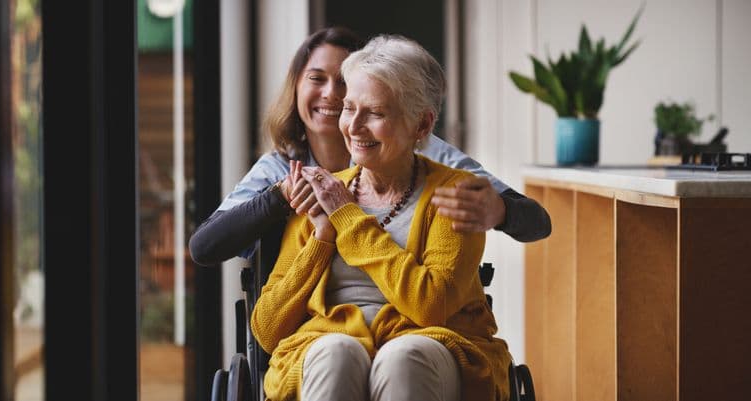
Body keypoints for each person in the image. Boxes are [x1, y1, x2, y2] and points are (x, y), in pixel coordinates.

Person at [251, 34, 512, 401]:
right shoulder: (322, 193)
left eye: (374, 113)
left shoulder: (455, 194)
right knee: (336, 353)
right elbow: (267, 327)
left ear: (421, 125)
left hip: (430, 344)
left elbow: (430, 306)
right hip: (326, 346)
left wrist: (347, 218)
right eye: (348, 108)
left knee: (403, 357)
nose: (353, 127)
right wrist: (323, 238)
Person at [188, 27, 550, 267]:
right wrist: (280, 197)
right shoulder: (282, 168)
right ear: (296, 86)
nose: (332, 94)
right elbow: (205, 247)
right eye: (317, 79)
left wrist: (499, 210)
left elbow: (536, 221)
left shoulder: (427, 153)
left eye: (345, 83)